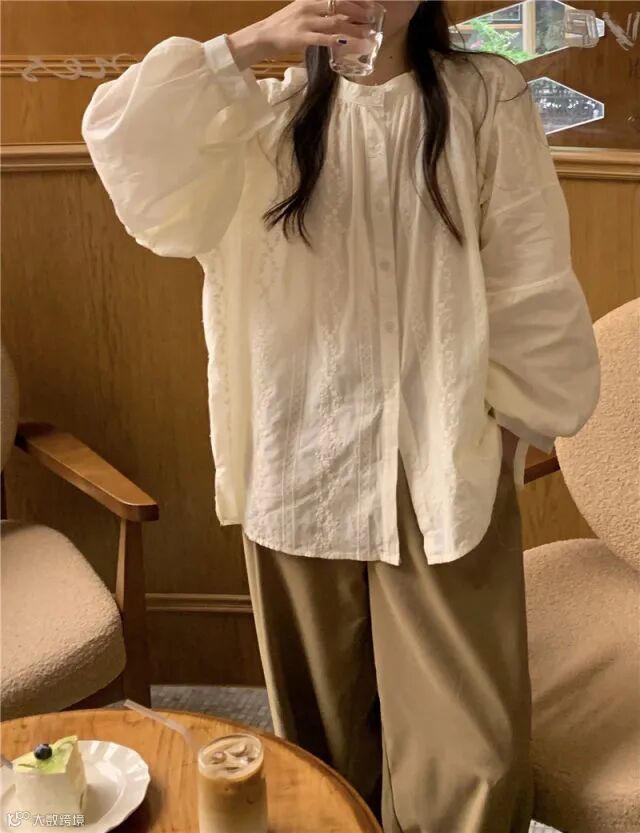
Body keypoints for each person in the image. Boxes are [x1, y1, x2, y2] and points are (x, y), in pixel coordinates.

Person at [82, 1, 600, 830]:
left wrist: (507, 434)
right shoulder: (264, 113)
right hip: (298, 463)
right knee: (320, 751)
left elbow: (528, 273)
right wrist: (250, 45)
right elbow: (124, 142)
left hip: (440, 466)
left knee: (472, 758)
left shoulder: (484, 96)